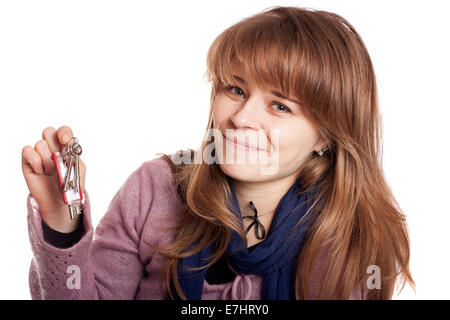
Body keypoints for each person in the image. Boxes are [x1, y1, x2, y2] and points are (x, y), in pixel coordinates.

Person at [22, 6, 414, 300]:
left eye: (280, 106)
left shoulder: (354, 236)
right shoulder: (154, 190)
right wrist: (61, 222)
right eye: (236, 90)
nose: (242, 118)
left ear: (325, 138)